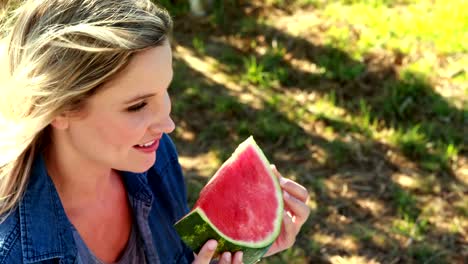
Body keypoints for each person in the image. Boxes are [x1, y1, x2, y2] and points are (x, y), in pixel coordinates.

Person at [0, 0, 311, 263]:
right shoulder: (10, 250)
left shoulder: (155, 156)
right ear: (59, 108)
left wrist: (235, 247)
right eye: (137, 106)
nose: (168, 124)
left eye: (165, 90)